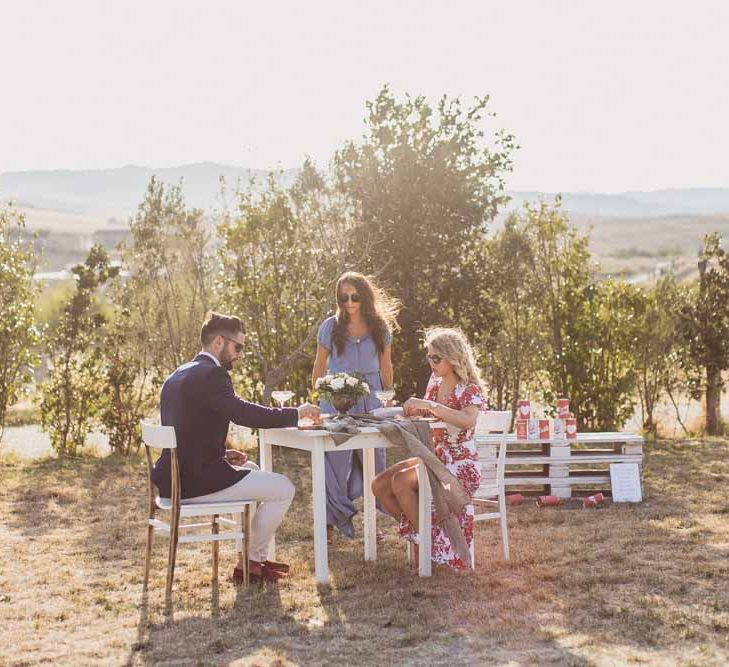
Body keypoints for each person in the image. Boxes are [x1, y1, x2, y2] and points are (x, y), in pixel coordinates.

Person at [151, 311, 320, 583]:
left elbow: (186, 430)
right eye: (237, 347)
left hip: (173, 479)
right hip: (195, 483)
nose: (239, 354)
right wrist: (295, 413)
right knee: (284, 488)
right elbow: (244, 413)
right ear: (219, 342)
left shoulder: (178, 374)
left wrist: (220, 453)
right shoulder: (212, 375)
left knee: (251, 467)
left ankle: (252, 560)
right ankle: (252, 562)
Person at [371, 327, 486, 570]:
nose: (431, 362)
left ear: (452, 357)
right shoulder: (435, 383)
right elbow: (424, 414)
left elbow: (466, 420)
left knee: (401, 482)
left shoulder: (469, 390)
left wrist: (429, 405)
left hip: (460, 464)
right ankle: (425, 538)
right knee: (379, 485)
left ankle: (426, 547)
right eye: (429, 357)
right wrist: (400, 411)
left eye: (436, 358)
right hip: (436, 456)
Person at [311, 272, 399, 538]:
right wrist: (317, 398)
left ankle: (371, 520)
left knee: (374, 459)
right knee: (335, 459)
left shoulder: (380, 327)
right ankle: (331, 519)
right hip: (337, 398)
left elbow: (386, 365)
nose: (349, 302)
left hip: (370, 398)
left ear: (365, 296)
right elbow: (318, 366)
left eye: (354, 297)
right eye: (343, 297)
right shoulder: (330, 327)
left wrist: (387, 395)